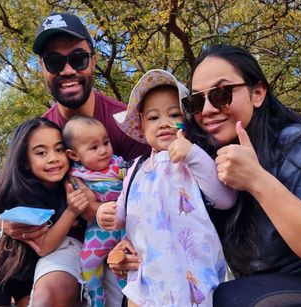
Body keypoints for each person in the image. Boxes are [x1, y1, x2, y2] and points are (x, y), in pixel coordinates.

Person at [110, 45, 301, 306]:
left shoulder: (297, 144)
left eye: (222, 94)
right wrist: (137, 247)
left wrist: (257, 181)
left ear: (257, 93)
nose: (207, 110)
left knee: (229, 299)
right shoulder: (201, 154)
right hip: (249, 284)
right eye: (197, 101)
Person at [0, 12, 150, 307]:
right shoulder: (38, 134)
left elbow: (152, 194)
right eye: (54, 61)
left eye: (77, 58)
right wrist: (3, 223)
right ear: (42, 68)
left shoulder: (126, 123)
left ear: (92, 61)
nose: (67, 70)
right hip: (68, 239)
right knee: (47, 296)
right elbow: (3, 194)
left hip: (128, 234)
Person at [97, 69, 237, 306]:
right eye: (153, 118)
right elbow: (123, 212)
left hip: (192, 272)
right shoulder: (136, 168)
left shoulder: (196, 157)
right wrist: (107, 214)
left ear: (187, 119)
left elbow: (225, 199)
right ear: (141, 124)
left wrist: (191, 154)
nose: (163, 123)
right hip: (146, 277)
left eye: (173, 115)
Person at [0, 117, 90, 307]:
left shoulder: (71, 184)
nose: (53, 158)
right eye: (41, 153)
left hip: (42, 271)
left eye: (59, 149)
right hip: (10, 266)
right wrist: (71, 212)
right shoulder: (24, 194)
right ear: (25, 161)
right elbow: (45, 245)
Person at [63, 115, 128, 306]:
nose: (103, 151)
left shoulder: (118, 165)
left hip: (127, 227)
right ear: (75, 155)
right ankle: (96, 300)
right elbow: (82, 202)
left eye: (106, 143)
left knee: (129, 262)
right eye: (94, 147)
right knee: (88, 263)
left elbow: (135, 182)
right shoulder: (76, 174)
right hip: (98, 231)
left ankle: (131, 297)